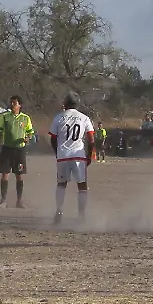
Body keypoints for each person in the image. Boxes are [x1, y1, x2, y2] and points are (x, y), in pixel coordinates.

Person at [48, 94, 96, 224]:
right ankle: (81, 214)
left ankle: (59, 210)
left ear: (65, 103)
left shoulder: (59, 117)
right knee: (82, 186)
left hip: (63, 155)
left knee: (61, 184)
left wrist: (57, 153)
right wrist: (89, 155)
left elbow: (52, 138)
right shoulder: (84, 118)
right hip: (78, 155)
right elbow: (91, 140)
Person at [0, 95, 35, 209]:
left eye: (15, 103)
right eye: (11, 103)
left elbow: (30, 132)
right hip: (7, 149)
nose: (12, 105)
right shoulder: (5, 117)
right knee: (5, 174)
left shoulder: (25, 118)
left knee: (19, 175)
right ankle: (3, 200)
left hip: (19, 150)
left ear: (20, 105)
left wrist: (28, 137)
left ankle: (19, 201)